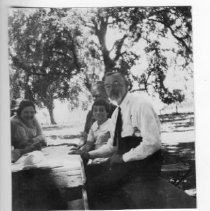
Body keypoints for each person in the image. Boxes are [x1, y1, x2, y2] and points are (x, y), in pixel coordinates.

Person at [77, 71, 162, 209]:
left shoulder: (140, 105)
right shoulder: (117, 112)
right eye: (108, 86)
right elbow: (113, 146)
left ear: (127, 85)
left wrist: (123, 158)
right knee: (89, 173)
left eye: (116, 83)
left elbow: (152, 143)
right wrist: (88, 154)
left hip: (145, 166)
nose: (112, 88)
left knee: (93, 187)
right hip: (126, 164)